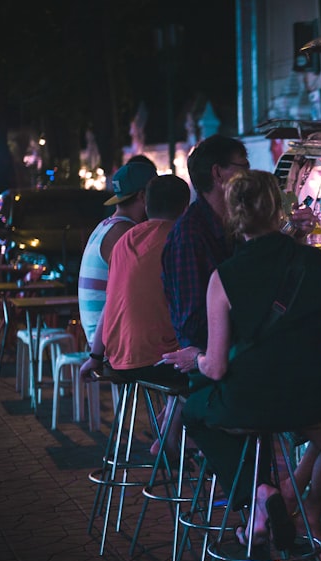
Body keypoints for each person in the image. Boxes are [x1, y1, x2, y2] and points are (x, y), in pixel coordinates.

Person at [163, 169, 321, 551]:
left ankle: (259, 493)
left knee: (195, 412)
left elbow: (218, 367)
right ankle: (261, 510)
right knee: (239, 410)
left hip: (253, 401)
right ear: (277, 209)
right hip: (311, 398)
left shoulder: (224, 276)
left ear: (232, 215)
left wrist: (197, 358)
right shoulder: (316, 263)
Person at [79, 175, 191, 443]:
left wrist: (95, 356)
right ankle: (172, 438)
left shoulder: (125, 240)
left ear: (147, 203)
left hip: (116, 360)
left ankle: (167, 429)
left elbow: (111, 302)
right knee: (210, 370)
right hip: (157, 361)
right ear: (186, 208)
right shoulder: (180, 240)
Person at [161, 135, 249, 363]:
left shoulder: (236, 224)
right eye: (244, 167)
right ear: (218, 173)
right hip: (209, 360)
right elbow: (193, 325)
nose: (249, 176)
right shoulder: (190, 235)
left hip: (240, 350)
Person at [78, 159, 158, 346]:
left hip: (99, 336)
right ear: (143, 196)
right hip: (110, 343)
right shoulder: (126, 233)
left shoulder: (106, 226)